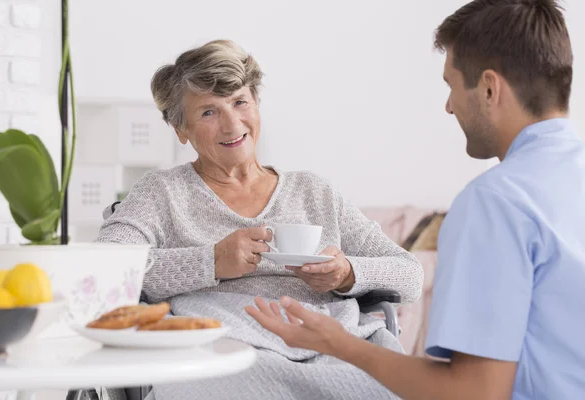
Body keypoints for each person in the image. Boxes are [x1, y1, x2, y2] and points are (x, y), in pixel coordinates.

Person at [246, 1, 585, 399]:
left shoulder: (496, 203)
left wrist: (339, 343)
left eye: (452, 85)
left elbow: (473, 393)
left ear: (490, 89)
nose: (449, 106)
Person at [96, 39, 423, 400]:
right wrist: (212, 261)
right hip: (224, 351)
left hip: (329, 346)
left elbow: (410, 275)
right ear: (180, 129)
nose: (231, 124)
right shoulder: (161, 193)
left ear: (256, 104)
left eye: (240, 102)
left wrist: (348, 273)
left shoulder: (314, 191)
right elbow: (103, 270)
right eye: (209, 112)